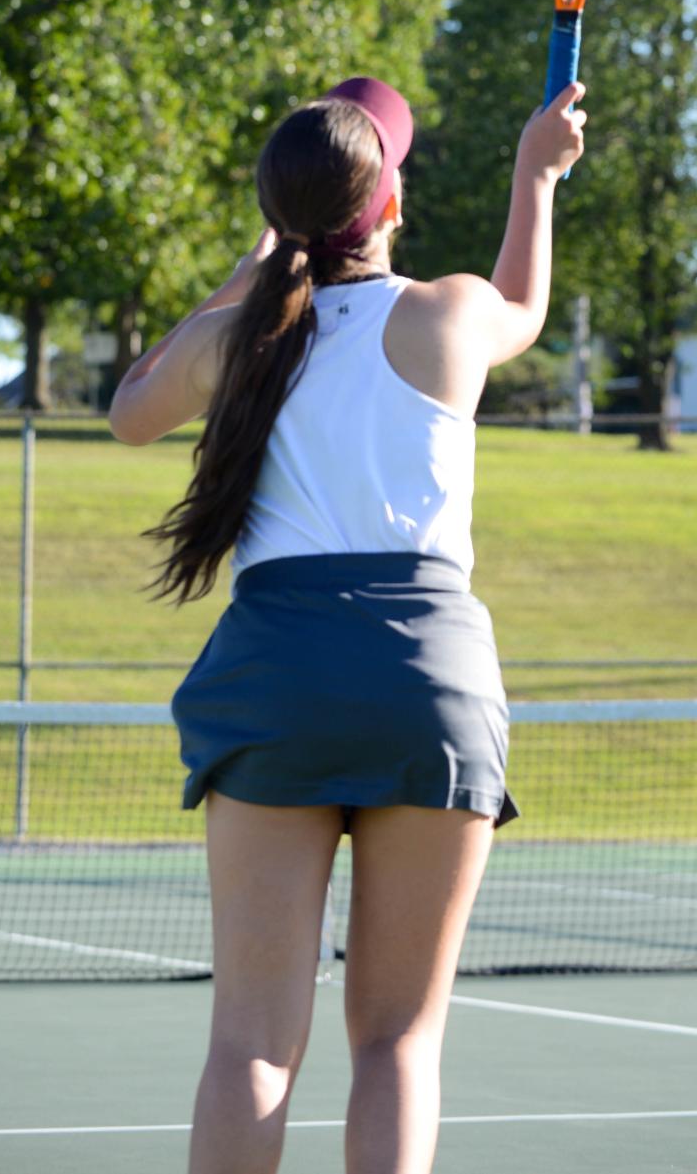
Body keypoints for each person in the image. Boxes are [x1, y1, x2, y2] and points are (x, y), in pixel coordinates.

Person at [109, 74, 586, 1174]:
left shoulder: (235, 339)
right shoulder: (449, 314)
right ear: (391, 209)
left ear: (280, 214)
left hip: (277, 678)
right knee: (399, 1041)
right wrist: (534, 175)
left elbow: (132, 407)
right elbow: (525, 306)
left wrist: (247, 273)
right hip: (430, 683)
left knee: (250, 1043)